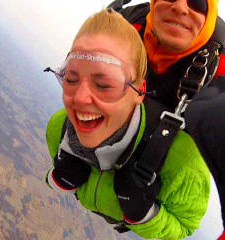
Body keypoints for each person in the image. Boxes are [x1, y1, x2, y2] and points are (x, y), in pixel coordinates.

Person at [44, 9, 210, 239]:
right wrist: (58, 177)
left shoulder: (182, 162)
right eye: (70, 79)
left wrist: (143, 215)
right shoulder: (58, 127)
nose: (80, 99)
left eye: (104, 85)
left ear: (140, 91)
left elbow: (184, 227)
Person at [107, 0, 225, 238]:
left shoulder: (221, 67)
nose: (181, 7)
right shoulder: (125, 24)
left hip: (166, 182)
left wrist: (144, 215)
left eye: (197, 2)